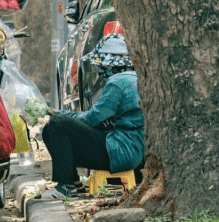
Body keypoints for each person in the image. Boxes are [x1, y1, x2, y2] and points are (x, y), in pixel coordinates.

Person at [37, 34, 144, 199]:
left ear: (109, 65)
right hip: (135, 152)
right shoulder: (136, 78)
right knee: (50, 128)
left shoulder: (118, 82)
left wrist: (62, 114)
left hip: (120, 152)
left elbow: (93, 118)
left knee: (57, 124)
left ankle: (66, 186)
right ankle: (74, 184)